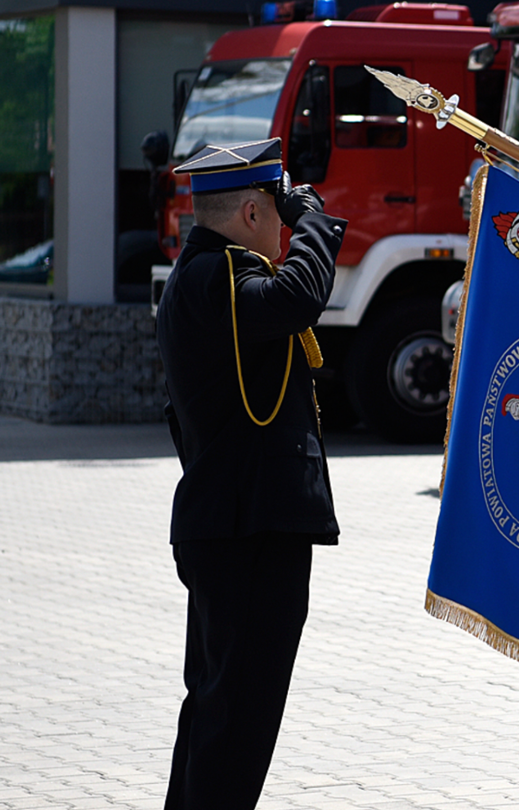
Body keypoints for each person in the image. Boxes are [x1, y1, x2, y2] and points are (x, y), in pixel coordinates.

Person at [153, 138, 346, 809]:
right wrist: (317, 220)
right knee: (237, 720)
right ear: (256, 214)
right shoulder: (217, 275)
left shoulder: (203, 274)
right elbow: (298, 298)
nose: (283, 234)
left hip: (234, 521)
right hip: (248, 526)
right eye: (280, 217)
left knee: (218, 714)